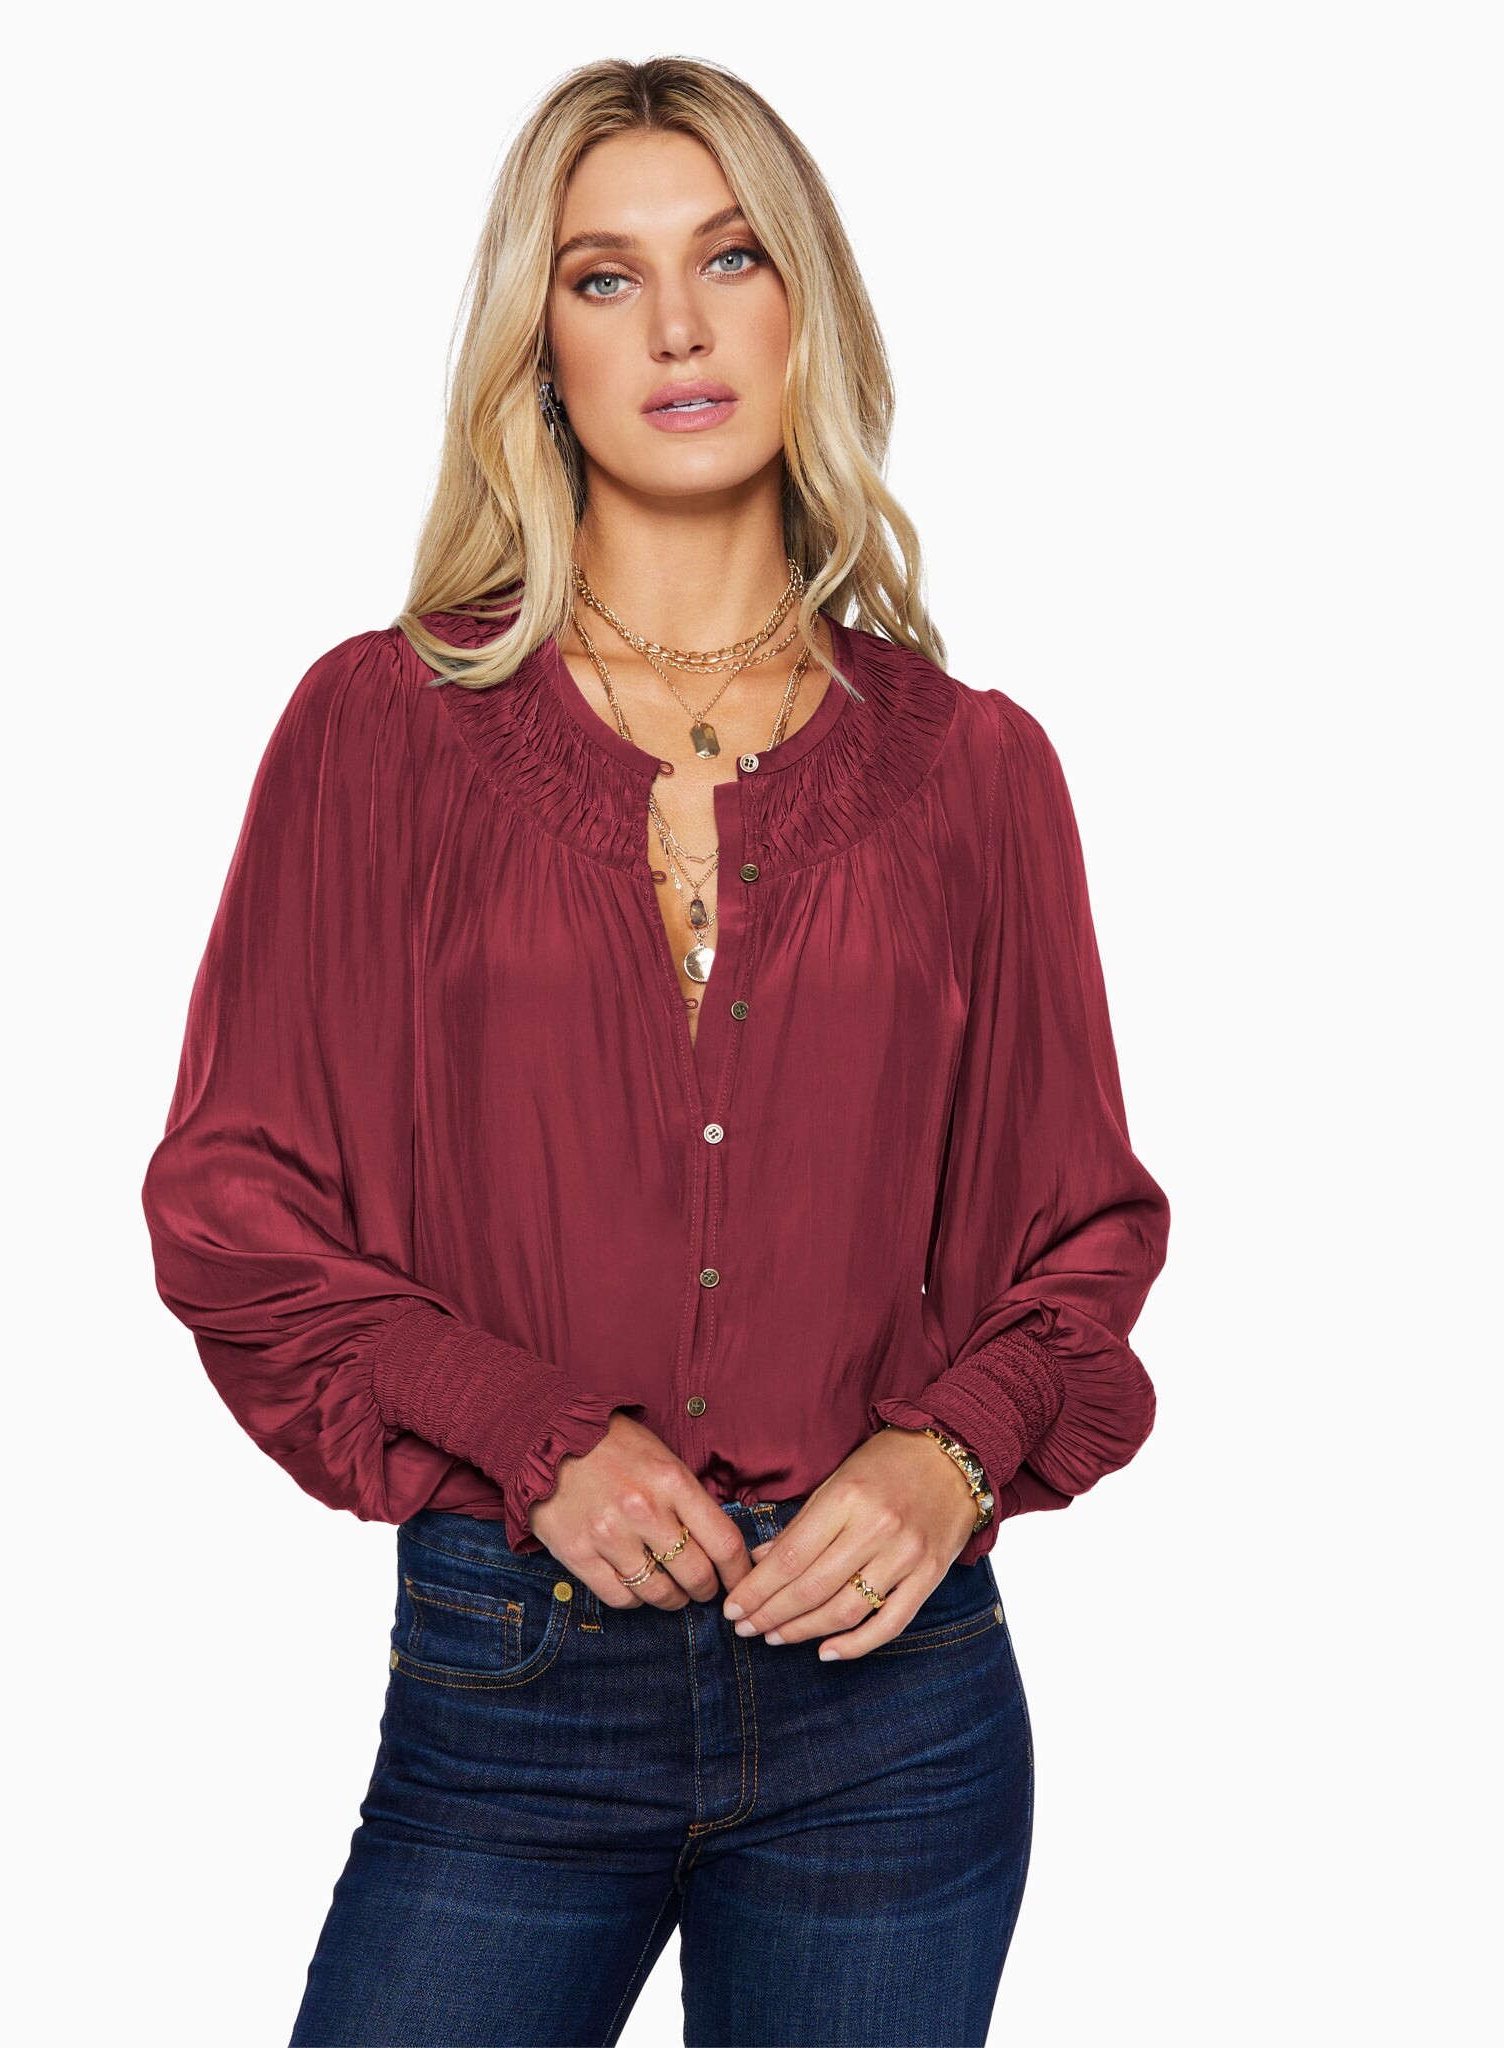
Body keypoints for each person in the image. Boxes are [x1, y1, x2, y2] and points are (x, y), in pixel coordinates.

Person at [140, 53, 1170, 2048]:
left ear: (806, 308)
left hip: (895, 1703)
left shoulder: (974, 771)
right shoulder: (384, 730)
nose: (678, 326)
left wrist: (952, 1452)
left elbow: (1080, 1232)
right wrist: (530, 1428)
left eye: (731, 259)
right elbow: (232, 1202)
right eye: (605, 277)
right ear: (540, 349)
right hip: (517, 1683)